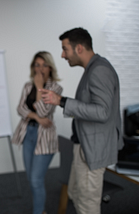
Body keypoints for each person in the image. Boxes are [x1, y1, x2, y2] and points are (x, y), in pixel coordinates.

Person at [40, 27, 123, 214]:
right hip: (83, 145)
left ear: (79, 49)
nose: (62, 55)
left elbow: (102, 112)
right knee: (76, 195)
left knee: (87, 205)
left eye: (65, 49)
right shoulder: (92, 69)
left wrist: (61, 101)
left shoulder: (100, 70)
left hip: (92, 148)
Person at [12, 51, 62, 214]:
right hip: (28, 134)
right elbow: (20, 108)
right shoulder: (28, 86)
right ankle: (40, 210)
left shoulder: (55, 88)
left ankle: (39, 212)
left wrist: (40, 88)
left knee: (35, 179)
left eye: (44, 65)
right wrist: (36, 117)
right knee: (31, 179)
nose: (40, 69)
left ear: (50, 67)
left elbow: (44, 111)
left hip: (45, 138)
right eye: (37, 65)